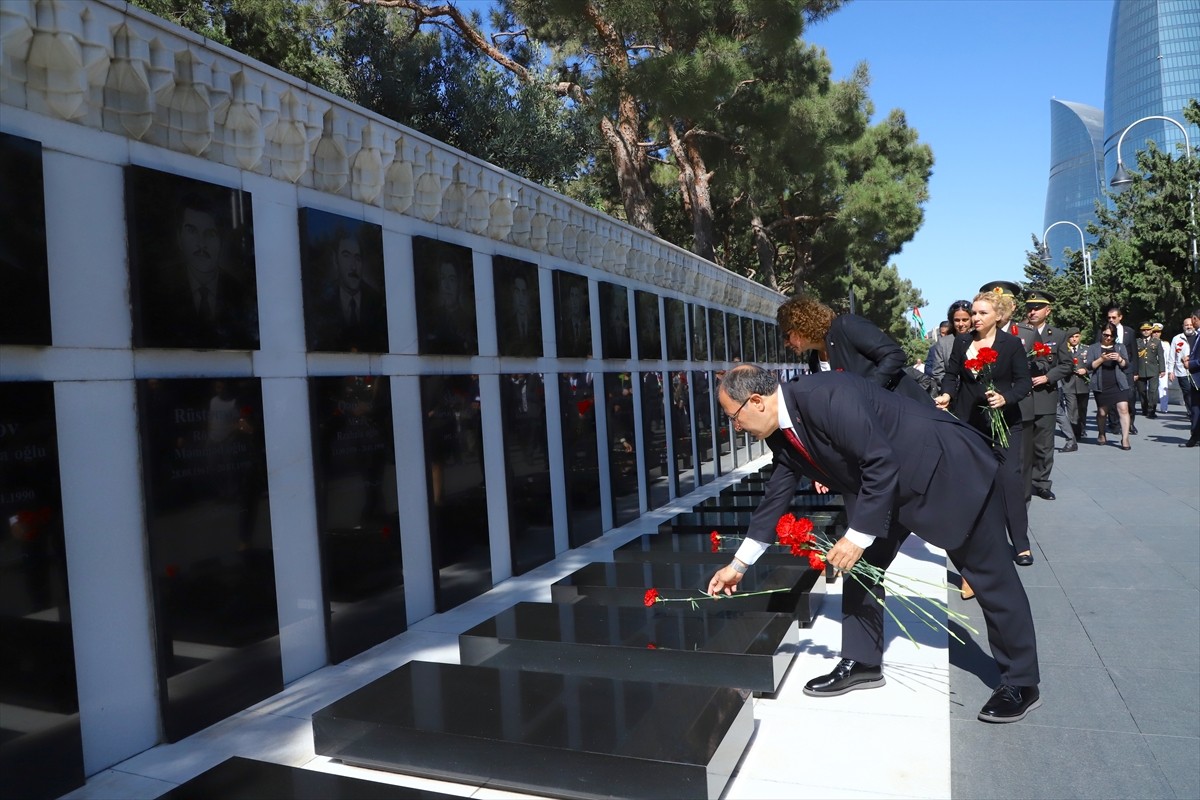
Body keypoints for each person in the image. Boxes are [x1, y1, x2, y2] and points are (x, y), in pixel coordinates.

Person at [707, 365, 1041, 723]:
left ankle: (1021, 682)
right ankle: (862, 660)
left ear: (756, 401)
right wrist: (738, 565)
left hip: (946, 474)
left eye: (733, 417)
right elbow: (776, 495)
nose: (736, 427)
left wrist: (855, 537)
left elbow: (880, 462)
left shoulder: (826, 397)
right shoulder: (781, 430)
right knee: (862, 573)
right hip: (887, 492)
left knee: (991, 578)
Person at [935, 290, 1033, 567]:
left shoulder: (1011, 344)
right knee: (974, 483)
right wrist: (947, 395)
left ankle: (1021, 544)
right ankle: (979, 542)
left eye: (982, 313)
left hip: (1006, 423)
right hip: (970, 423)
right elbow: (952, 376)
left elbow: (1023, 383)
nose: (974, 318)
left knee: (1009, 480)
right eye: (974, 313)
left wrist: (1006, 398)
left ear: (998, 316)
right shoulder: (962, 342)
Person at [138, 192, 258, 349]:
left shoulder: (240, 294)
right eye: (192, 231)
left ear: (221, 241)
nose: (201, 244)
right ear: (179, 237)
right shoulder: (155, 290)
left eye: (210, 233)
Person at [776, 294, 930, 405]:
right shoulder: (814, 362)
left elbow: (895, 355)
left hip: (908, 411)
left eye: (786, 334)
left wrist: (866, 390)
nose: (786, 343)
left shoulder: (846, 326)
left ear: (802, 325)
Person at [1020, 290, 1071, 501]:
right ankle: (1022, 482)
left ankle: (1041, 483)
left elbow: (1067, 364)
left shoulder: (1057, 335)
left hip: (1044, 395)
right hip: (1021, 396)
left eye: (1037, 308)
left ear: (1047, 311)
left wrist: (1048, 377)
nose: (1032, 312)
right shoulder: (1017, 332)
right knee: (1023, 444)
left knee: (1044, 444)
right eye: (1029, 308)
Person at [309, 232, 387, 352]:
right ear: (336, 260)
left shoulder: (377, 303)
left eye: (357, 258)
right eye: (346, 256)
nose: (353, 267)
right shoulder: (323, 302)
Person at [1086, 323, 1133, 450]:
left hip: (1118, 383)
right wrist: (1101, 359)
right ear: (1101, 334)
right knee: (1102, 412)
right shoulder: (1093, 348)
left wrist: (1119, 359)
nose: (1108, 338)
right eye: (1106, 335)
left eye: (1111, 336)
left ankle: (1125, 438)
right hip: (1101, 384)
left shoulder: (1119, 347)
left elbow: (1126, 365)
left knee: (1123, 409)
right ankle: (1102, 434)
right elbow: (1089, 367)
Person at [924, 300, 974, 397]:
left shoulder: (979, 338)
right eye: (957, 320)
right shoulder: (943, 343)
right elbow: (938, 372)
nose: (960, 324)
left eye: (965, 320)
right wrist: (950, 390)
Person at [1105, 306, 1140, 435]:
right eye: (1109, 317)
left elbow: (1134, 353)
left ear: (1120, 317)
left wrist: (1135, 371)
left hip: (1127, 369)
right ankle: (1114, 423)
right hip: (1110, 368)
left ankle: (1130, 423)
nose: (1111, 320)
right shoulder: (1104, 331)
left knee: (1130, 396)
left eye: (1114, 317)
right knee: (1113, 397)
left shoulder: (1129, 332)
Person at [1056, 328, 1089, 450]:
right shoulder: (1065, 350)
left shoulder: (1086, 349)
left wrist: (1086, 370)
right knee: (1072, 410)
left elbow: (1091, 364)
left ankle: (1082, 428)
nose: (1074, 339)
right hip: (1068, 384)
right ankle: (1075, 431)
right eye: (1072, 337)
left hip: (1083, 384)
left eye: (1076, 336)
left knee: (1082, 409)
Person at [1167, 315, 1197, 445]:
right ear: (1183, 326)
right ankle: (1192, 415)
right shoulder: (1177, 338)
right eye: (1186, 325)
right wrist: (1170, 371)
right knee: (1188, 395)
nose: (1189, 327)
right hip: (1182, 372)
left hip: (1196, 372)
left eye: (1190, 324)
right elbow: (1171, 356)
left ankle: (1194, 420)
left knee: (1195, 398)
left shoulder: (1198, 337)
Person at [1134, 322, 1163, 419]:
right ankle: (1145, 408)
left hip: (1153, 370)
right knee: (1142, 391)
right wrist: (1134, 371)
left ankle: (1152, 410)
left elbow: (1161, 356)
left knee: (1153, 391)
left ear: (1151, 330)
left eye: (1148, 330)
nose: (1146, 332)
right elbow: (1134, 357)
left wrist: (1162, 369)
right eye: (1143, 330)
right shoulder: (1137, 342)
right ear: (1141, 331)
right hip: (1140, 370)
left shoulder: (1157, 342)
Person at [1152, 323, 1169, 414]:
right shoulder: (1148, 343)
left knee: (1163, 388)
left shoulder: (1165, 344)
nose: (1156, 334)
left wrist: (1169, 371)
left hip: (1163, 369)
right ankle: (1150, 407)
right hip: (1152, 369)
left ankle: (1164, 408)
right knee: (1150, 389)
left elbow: (1169, 358)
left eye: (1158, 332)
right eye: (1154, 332)